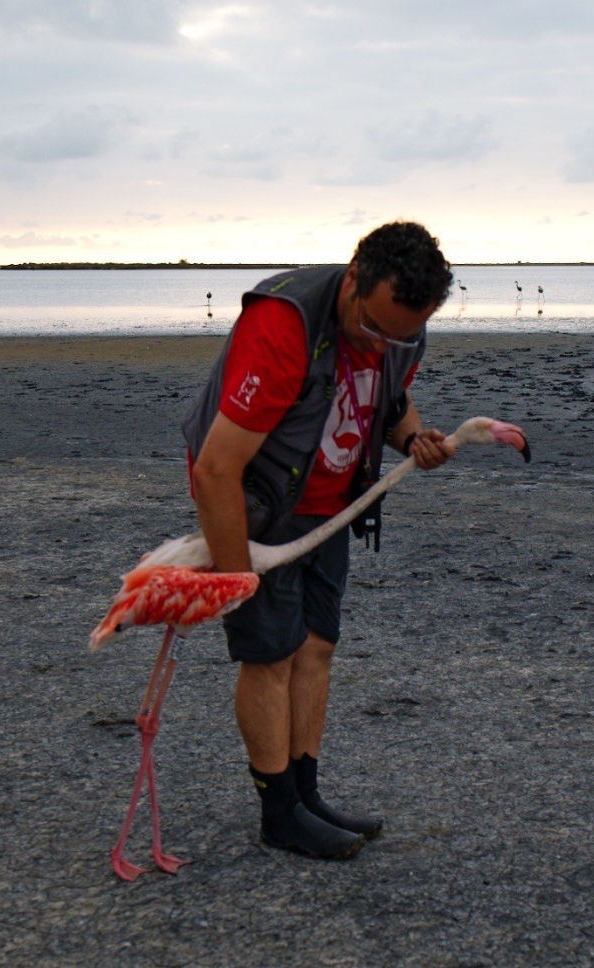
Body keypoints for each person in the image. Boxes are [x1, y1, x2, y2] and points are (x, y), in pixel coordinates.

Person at [181, 221, 455, 859]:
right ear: (353, 275)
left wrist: (412, 438)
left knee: (315, 649)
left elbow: (391, 400)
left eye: (402, 335)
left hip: (330, 507)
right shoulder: (284, 328)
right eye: (374, 328)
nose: (385, 343)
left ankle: (305, 793)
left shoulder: (398, 328)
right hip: (258, 509)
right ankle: (279, 813)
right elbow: (215, 469)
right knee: (269, 655)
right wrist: (234, 576)